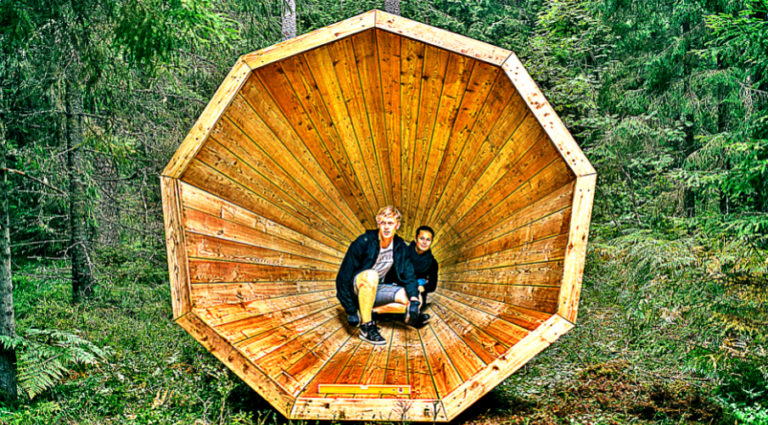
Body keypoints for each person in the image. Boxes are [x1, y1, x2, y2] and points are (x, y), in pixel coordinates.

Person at [335, 206, 425, 345]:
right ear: (378, 224)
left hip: (378, 288)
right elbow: (343, 277)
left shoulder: (400, 246)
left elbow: (409, 274)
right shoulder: (364, 242)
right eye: (383, 223)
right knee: (372, 275)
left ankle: (372, 311)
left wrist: (413, 299)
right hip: (359, 288)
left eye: (390, 223)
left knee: (417, 299)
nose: (386, 227)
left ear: (397, 225)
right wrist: (350, 310)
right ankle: (366, 327)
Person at [408, 225, 439, 309]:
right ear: (415, 239)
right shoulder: (404, 253)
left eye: (428, 240)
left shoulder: (432, 263)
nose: (424, 242)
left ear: (431, 242)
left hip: (418, 290)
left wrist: (421, 288)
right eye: (422, 238)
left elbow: (432, 285)